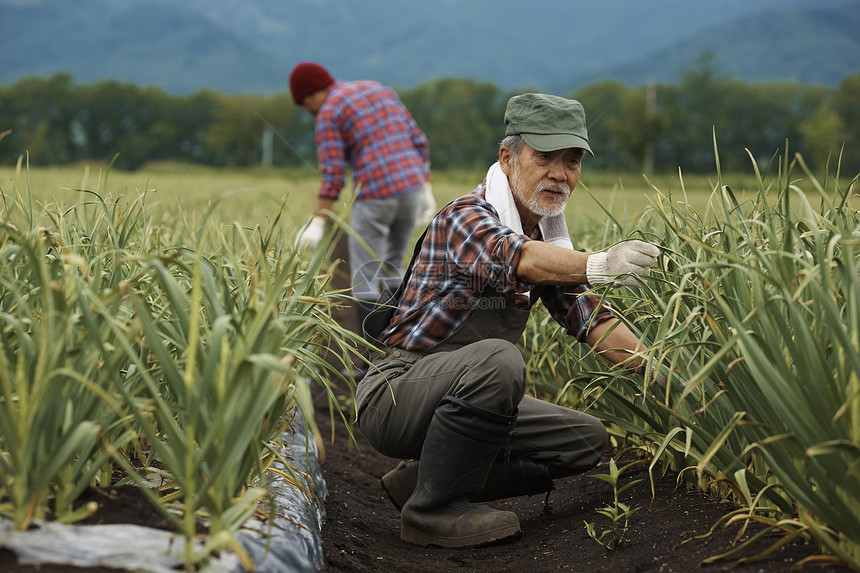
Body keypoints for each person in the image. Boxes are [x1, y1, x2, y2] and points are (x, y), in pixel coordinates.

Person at [354, 93, 664, 548]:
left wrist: (663, 373)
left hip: (462, 387)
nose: (560, 174)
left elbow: (590, 318)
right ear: (508, 157)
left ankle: (421, 483)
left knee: (584, 440)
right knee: (500, 361)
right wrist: (600, 263)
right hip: (396, 395)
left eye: (572, 161)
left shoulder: (545, 239)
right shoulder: (467, 217)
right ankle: (430, 511)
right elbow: (516, 258)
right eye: (544, 158)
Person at [289, 62, 435, 331]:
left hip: (376, 195)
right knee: (393, 268)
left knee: (364, 278)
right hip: (412, 188)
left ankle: (368, 359)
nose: (307, 111)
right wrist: (425, 187)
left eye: (304, 104)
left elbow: (333, 174)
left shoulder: (329, 113)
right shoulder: (379, 89)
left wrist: (318, 220)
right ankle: (396, 346)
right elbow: (418, 140)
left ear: (311, 94)